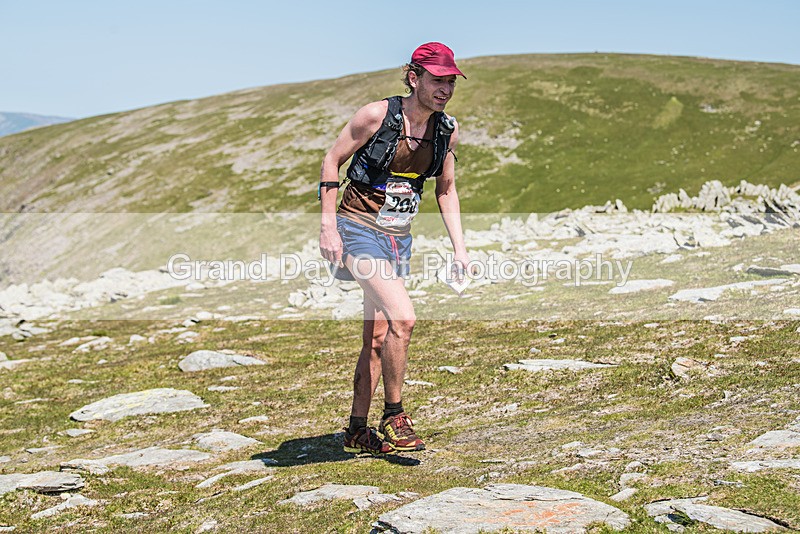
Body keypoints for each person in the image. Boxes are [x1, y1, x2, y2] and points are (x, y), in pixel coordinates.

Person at [319, 42, 470, 455]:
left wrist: (460, 249)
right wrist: (328, 227)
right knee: (404, 318)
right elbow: (332, 160)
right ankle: (394, 415)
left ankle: (356, 429)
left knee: (378, 336)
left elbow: (445, 188)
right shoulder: (376, 115)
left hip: (397, 237)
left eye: (451, 82)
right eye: (437, 80)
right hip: (356, 229)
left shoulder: (446, 129)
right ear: (414, 78)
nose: (445, 89)